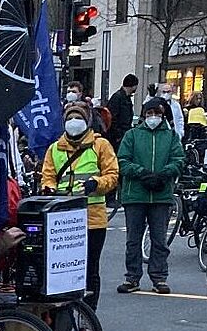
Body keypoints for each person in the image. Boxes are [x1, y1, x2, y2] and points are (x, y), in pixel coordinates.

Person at [40, 99, 119, 309]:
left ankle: (88, 314)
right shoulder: (55, 148)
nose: (74, 122)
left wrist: (96, 183)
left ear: (87, 121)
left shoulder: (101, 145)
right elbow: (47, 175)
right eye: (70, 118)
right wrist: (48, 188)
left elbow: (112, 175)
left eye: (78, 118)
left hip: (92, 219)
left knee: (90, 269)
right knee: (64, 268)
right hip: (63, 220)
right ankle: (64, 312)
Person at [115, 97, 185, 295]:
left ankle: (159, 277)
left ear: (163, 116)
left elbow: (179, 159)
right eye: (149, 113)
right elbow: (122, 161)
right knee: (133, 240)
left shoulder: (171, 137)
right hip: (135, 194)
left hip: (161, 195)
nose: (153, 117)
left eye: (156, 113)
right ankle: (132, 277)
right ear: (144, 115)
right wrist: (142, 173)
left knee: (159, 239)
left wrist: (164, 174)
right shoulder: (132, 135)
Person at [105, 74, 139, 148]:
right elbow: (113, 118)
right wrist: (118, 135)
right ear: (133, 86)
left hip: (122, 134)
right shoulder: (118, 98)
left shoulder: (125, 98)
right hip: (117, 137)